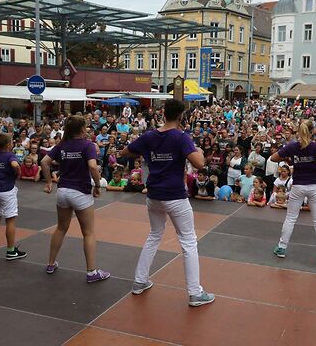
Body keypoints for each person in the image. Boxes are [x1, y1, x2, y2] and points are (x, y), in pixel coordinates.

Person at [120, 99, 214, 307]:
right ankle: (195, 293)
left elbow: (125, 152)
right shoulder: (181, 137)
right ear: (181, 117)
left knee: (154, 235)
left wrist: (146, 151)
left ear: (163, 114)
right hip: (175, 196)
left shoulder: (150, 135)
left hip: (153, 195)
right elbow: (199, 164)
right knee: (189, 241)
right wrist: (198, 152)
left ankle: (139, 281)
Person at [41, 115, 110, 283]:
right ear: (82, 129)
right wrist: (97, 184)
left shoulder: (62, 145)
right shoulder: (87, 145)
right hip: (80, 193)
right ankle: (92, 272)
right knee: (88, 233)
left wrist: (49, 182)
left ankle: (50, 264)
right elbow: (93, 166)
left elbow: (44, 162)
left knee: (61, 228)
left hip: (63, 191)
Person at [270, 119, 316, 263]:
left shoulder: (292, 146)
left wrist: (289, 158)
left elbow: (273, 157)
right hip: (315, 186)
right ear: (313, 131)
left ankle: (282, 248)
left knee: (290, 218)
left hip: (298, 186)